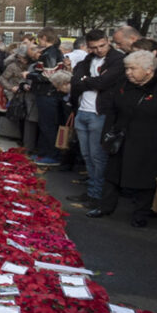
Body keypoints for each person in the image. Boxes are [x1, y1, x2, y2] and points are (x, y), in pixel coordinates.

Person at [87, 50, 157, 227]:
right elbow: (113, 111)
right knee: (112, 175)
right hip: (122, 138)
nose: (128, 72)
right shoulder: (123, 84)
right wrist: (107, 135)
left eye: (133, 69)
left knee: (146, 180)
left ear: (148, 70)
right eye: (127, 68)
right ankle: (105, 206)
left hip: (152, 142)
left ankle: (141, 214)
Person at [68, 29, 125, 210]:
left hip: (100, 113)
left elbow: (103, 82)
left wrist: (88, 80)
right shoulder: (88, 59)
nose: (99, 50)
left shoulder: (117, 59)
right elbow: (75, 81)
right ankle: (92, 191)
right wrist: (89, 80)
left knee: (98, 157)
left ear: (107, 41)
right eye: (94, 47)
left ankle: (97, 194)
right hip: (83, 110)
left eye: (102, 45)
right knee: (87, 156)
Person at [26, 27, 66, 165]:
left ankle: (52, 155)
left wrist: (29, 75)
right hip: (47, 93)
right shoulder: (52, 52)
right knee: (45, 124)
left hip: (48, 93)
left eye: (39, 38)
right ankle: (44, 152)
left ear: (44, 38)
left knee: (48, 125)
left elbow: (48, 75)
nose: (38, 42)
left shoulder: (50, 53)